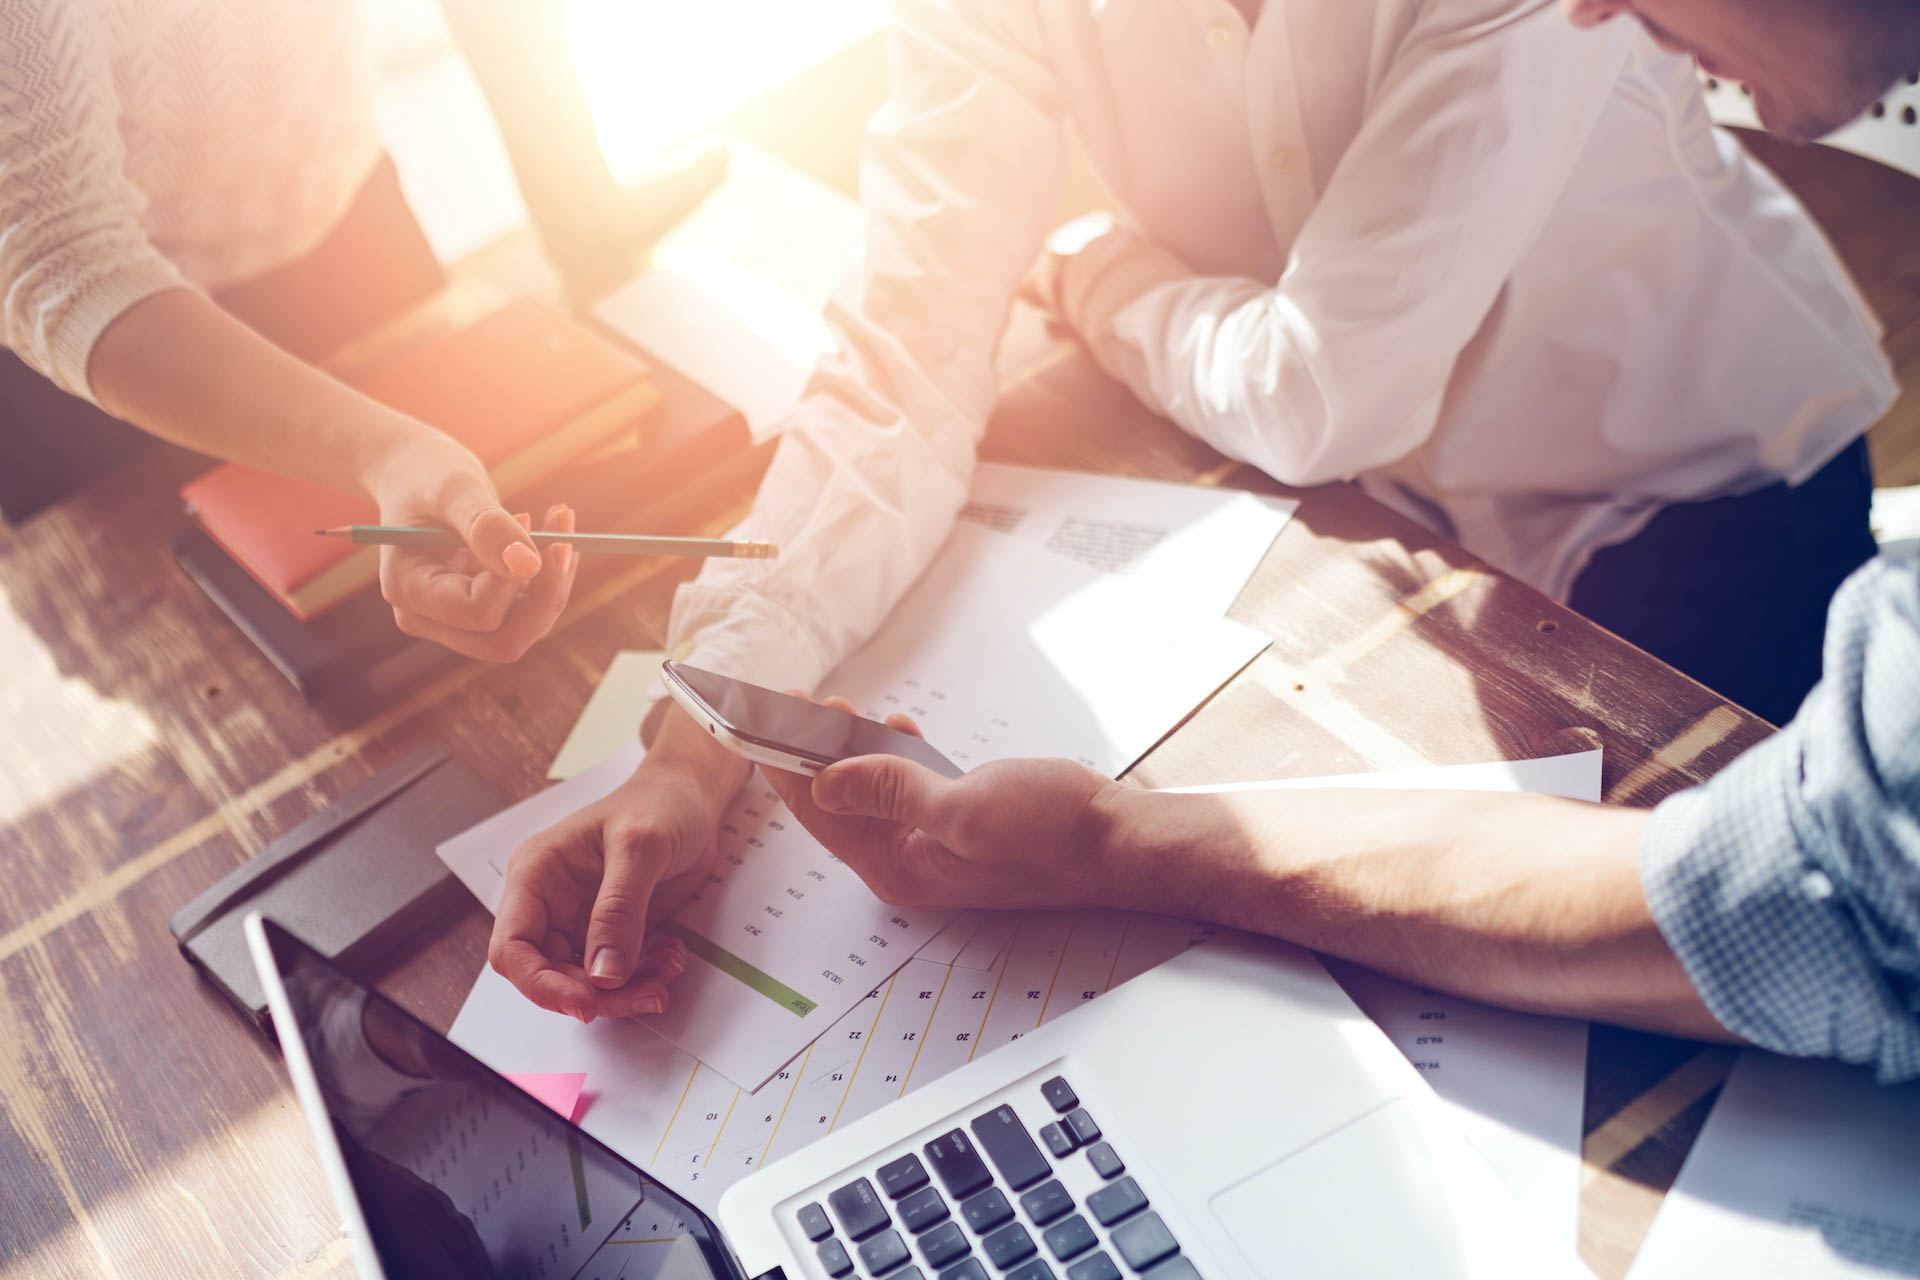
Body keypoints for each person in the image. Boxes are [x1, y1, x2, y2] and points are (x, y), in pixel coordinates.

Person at [488, 0, 1898, 1020]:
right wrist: (698, 742)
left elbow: (1317, 395)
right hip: (1413, 525)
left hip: (1705, 499)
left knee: (1725, 1023)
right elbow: (902, 369)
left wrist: (1099, 276)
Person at [0, 0, 716, 661]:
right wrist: (388, 451)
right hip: (100, 357)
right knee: (198, 662)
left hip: (345, 225)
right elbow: (63, 261)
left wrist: (575, 198)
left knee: (437, 604)